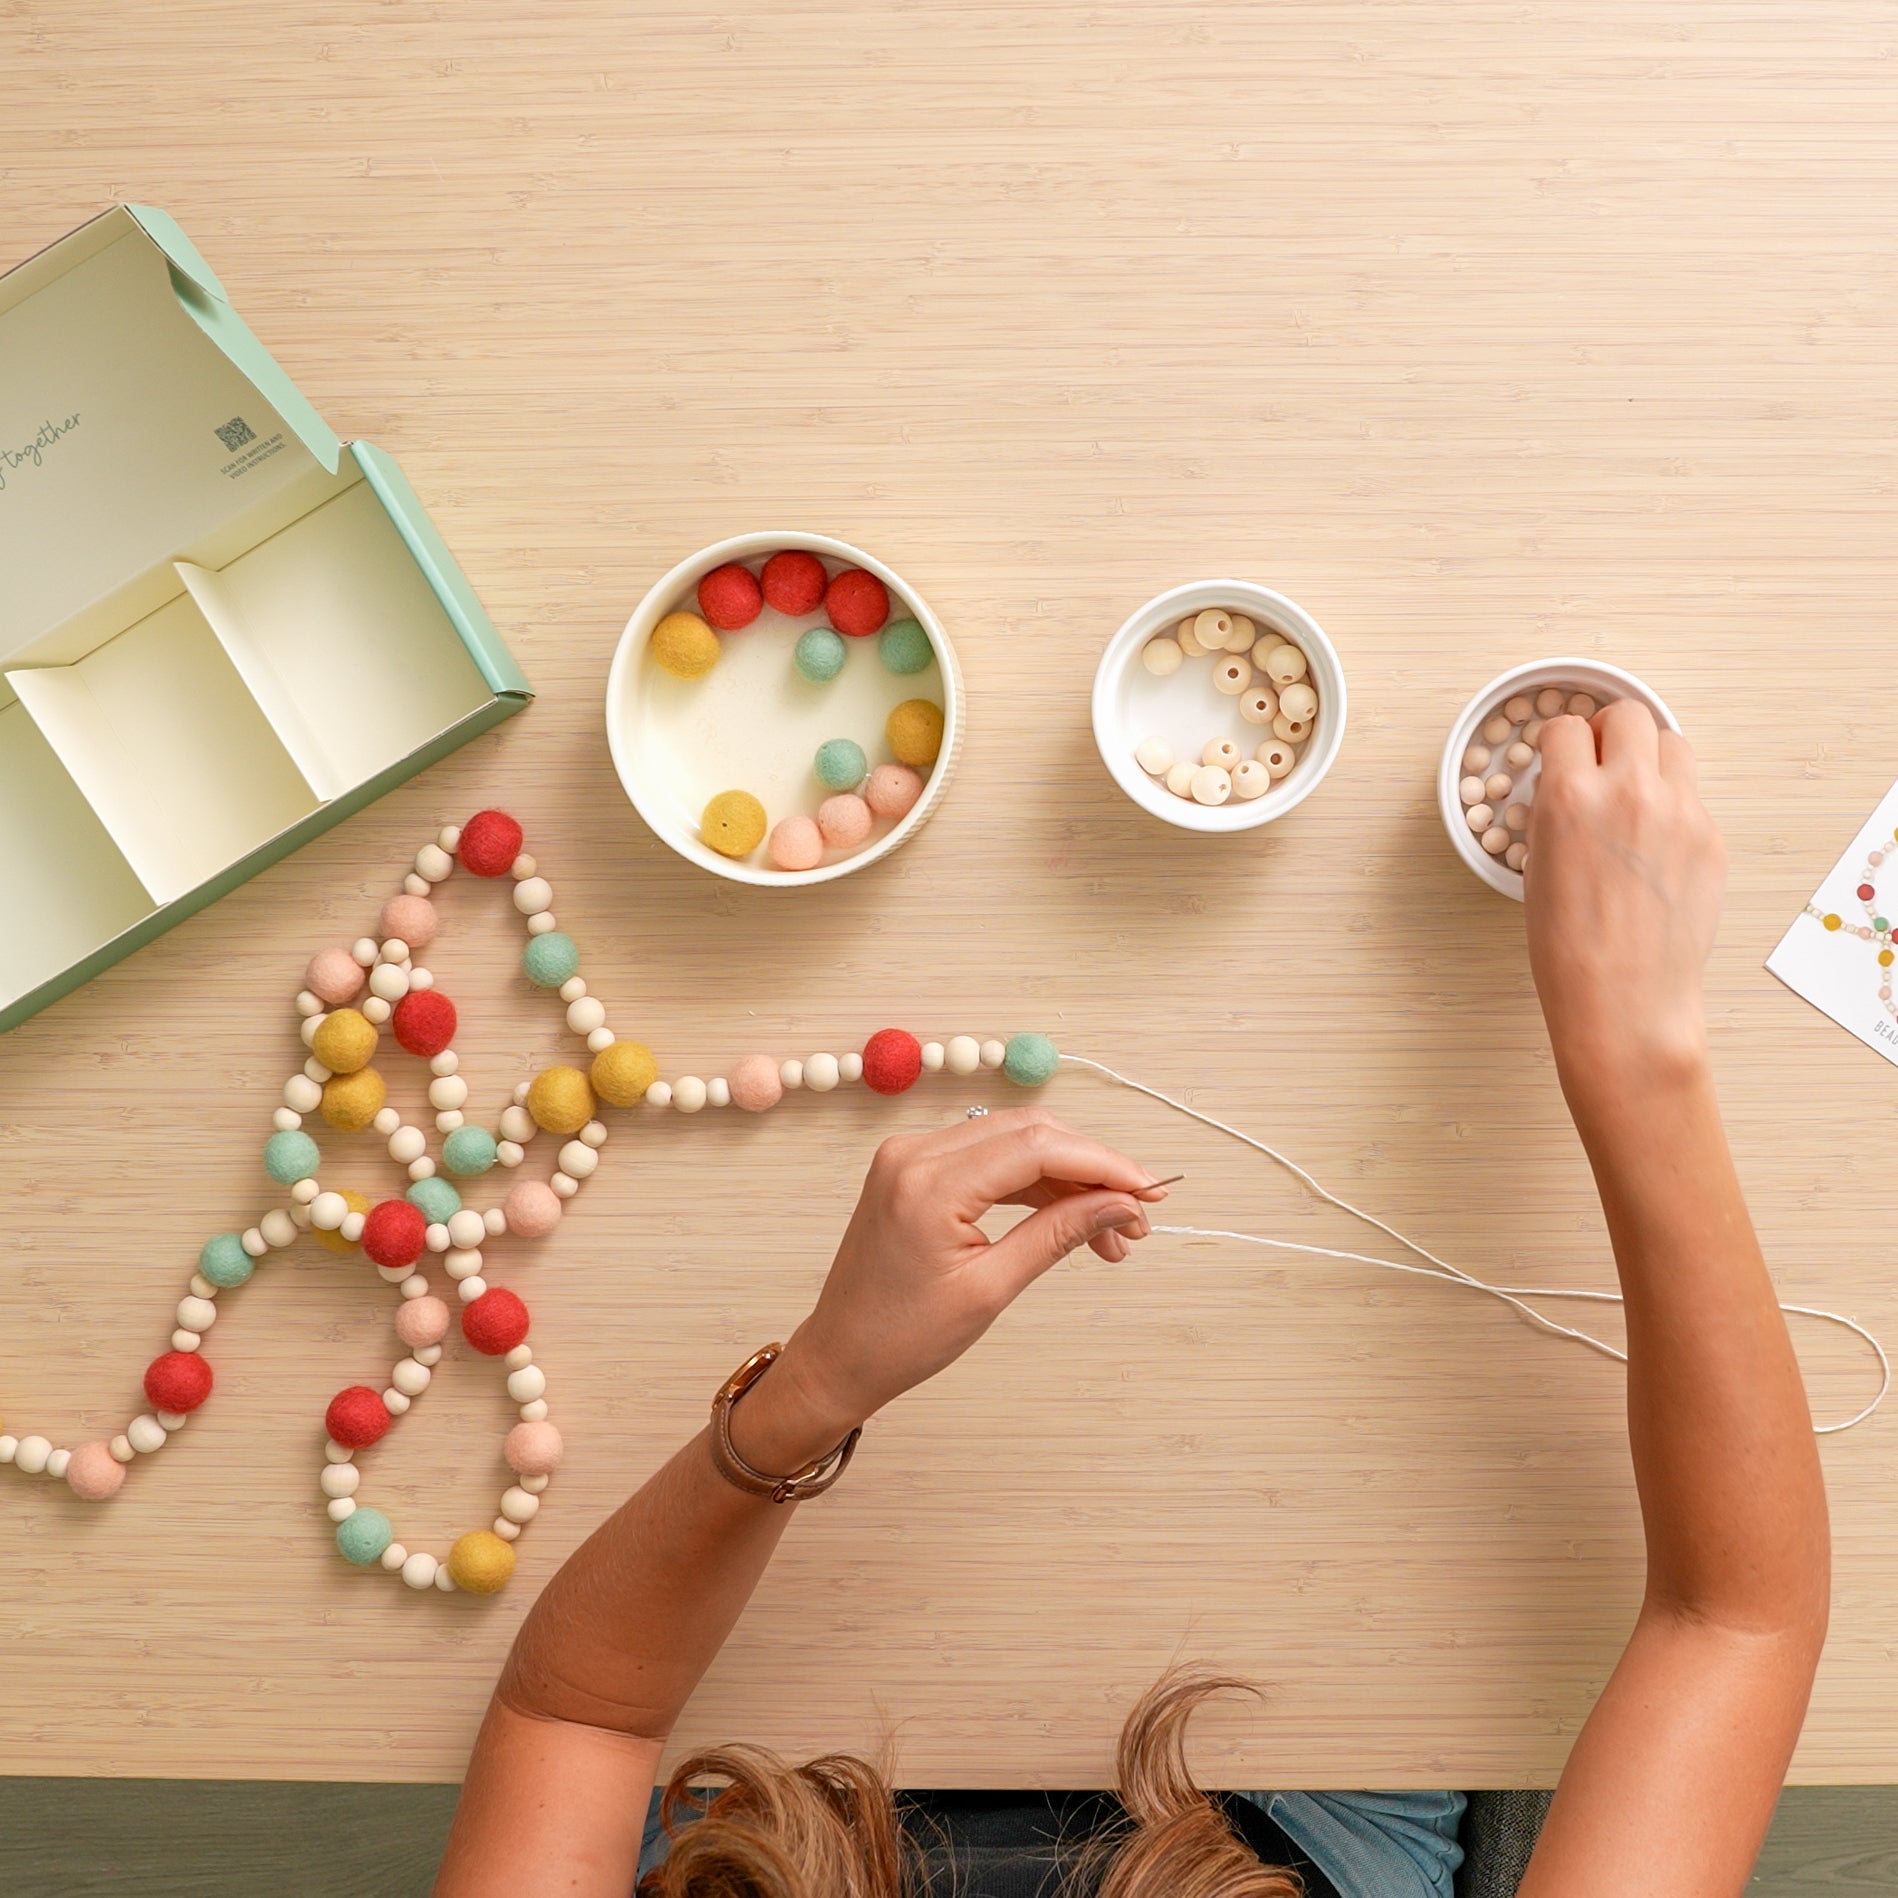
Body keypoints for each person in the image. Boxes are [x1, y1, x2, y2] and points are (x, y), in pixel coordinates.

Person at [435, 703, 1829, 1898]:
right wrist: (1631, 1046)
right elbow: (1734, 1620)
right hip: (1308, 1819)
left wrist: (810, 1392)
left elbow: (573, 1715)